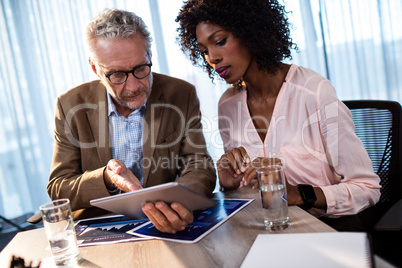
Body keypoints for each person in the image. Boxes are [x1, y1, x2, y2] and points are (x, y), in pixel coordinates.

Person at [176, 0, 381, 230]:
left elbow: (367, 188)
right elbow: (245, 190)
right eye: (204, 51)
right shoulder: (227, 105)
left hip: (326, 230)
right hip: (266, 229)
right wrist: (228, 183)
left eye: (220, 42)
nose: (212, 58)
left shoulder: (313, 92)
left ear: (250, 31)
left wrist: (298, 193)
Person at [47, 8, 216, 234]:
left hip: (166, 225)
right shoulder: (70, 106)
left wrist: (176, 204)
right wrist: (106, 179)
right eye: (117, 75)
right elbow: (58, 187)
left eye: (141, 68)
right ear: (95, 68)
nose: (134, 86)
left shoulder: (181, 94)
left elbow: (199, 165)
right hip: (100, 229)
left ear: (149, 56)